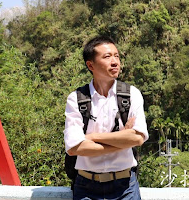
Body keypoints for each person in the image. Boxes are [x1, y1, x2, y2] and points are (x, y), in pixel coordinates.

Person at [64, 35, 149, 200]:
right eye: (107, 56)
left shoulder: (131, 94)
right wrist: (121, 141)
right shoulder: (77, 98)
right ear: (91, 65)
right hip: (86, 187)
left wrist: (92, 138)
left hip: (125, 187)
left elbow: (137, 138)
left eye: (116, 56)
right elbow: (74, 148)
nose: (115, 61)